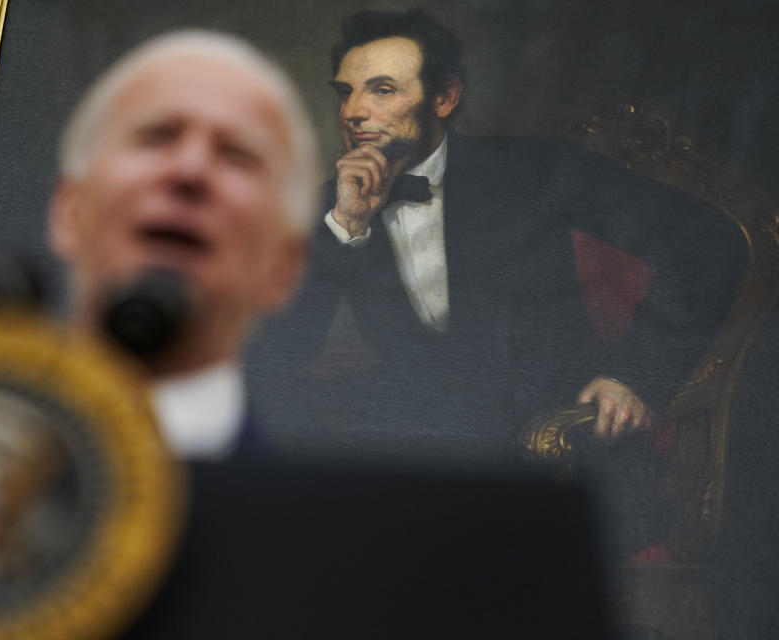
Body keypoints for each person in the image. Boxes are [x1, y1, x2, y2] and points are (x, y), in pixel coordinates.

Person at [249, 9, 745, 462]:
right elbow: (277, 360)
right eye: (345, 91)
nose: (353, 111)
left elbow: (711, 245)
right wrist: (346, 228)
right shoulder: (330, 206)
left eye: (382, 89)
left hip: (565, 452)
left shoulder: (538, 170)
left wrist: (634, 377)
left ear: (444, 98)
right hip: (418, 457)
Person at [47, 31, 319, 458]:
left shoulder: (315, 524)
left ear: (284, 267)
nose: (190, 170)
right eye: (157, 136)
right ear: (70, 212)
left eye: (236, 154)